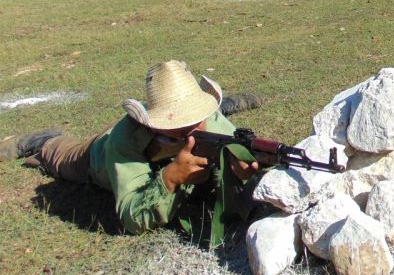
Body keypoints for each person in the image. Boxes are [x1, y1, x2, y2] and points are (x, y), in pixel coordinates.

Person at [2, 60, 262, 236]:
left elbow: (235, 154)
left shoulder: (208, 118)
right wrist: (170, 179)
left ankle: (227, 103)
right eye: (180, 123)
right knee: (61, 158)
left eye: (197, 117)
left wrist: (240, 171)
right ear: (157, 123)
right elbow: (131, 218)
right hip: (97, 156)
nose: (193, 128)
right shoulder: (124, 141)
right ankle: (41, 141)